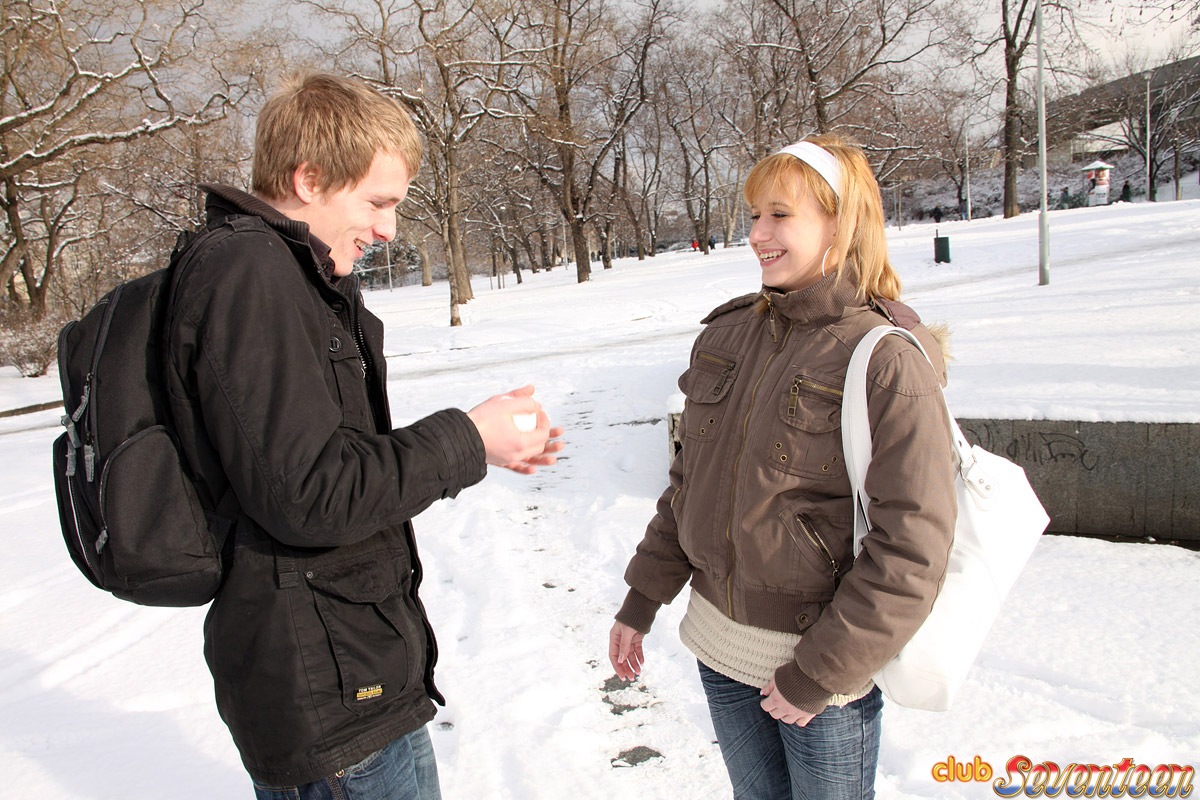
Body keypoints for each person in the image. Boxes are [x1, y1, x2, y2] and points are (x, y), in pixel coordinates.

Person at [164, 72, 563, 799]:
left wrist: (482, 441)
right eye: (378, 203)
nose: (388, 230)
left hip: (357, 674)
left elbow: (316, 463)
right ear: (309, 178)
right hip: (329, 699)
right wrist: (467, 440)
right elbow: (311, 496)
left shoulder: (290, 275)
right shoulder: (252, 273)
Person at [607, 135, 957, 800]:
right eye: (754, 215)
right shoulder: (727, 335)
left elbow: (913, 547)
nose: (757, 235)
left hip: (818, 672)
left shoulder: (884, 358)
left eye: (780, 215)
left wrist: (818, 673)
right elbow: (688, 488)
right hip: (719, 647)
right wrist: (641, 598)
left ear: (840, 224)